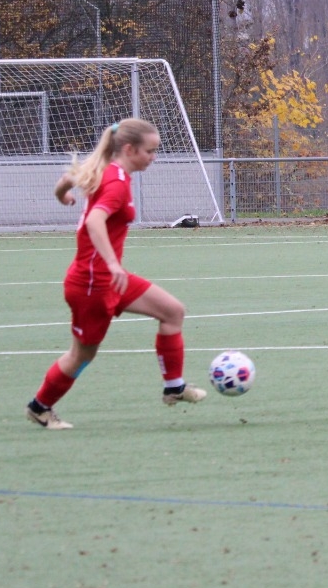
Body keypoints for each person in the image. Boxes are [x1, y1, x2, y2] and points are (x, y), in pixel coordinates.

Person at [25, 118, 203, 429]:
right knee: (81, 356)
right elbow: (95, 220)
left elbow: (68, 178)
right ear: (130, 149)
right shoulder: (117, 182)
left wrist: (61, 195)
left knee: (173, 312)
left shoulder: (106, 169)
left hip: (110, 281)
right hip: (92, 285)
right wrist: (112, 263)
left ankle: (174, 387)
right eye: (150, 151)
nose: (154, 157)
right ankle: (39, 407)